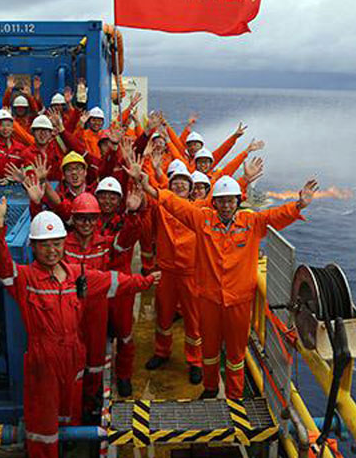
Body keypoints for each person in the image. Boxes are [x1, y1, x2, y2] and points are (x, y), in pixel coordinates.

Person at [0, 191, 160, 458]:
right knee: (43, 427)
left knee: (70, 412)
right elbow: (3, 266)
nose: (52, 250)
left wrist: (145, 282)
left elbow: (114, 281)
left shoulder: (77, 276)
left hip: (74, 356)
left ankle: (71, 446)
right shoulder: (26, 279)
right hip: (44, 361)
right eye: (45, 245)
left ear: (64, 243)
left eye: (56, 244)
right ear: (33, 247)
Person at [127, 160, 319, 399]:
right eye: (222, 201)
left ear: (238, 202)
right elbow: (176, 206)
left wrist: (299, 204)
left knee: (236, 355)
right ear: (214, 202)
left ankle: (235, 396)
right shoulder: (203, 220)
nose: (227, 205)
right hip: (209, 299)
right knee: (209, 348)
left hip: (239, 301)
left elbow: (275, 216)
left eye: (231, 200)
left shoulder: (251, 223)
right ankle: (210, 387)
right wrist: (150, 188)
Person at [60, 191, 142, 418]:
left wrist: (133, 213)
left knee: (96, 359)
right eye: (81, 218)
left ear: (98, 220)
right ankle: (74, 407)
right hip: (71, 312)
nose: (86, 223)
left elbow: (126, 241)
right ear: (73, 220)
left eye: (91, 218)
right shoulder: (62, 245)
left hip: (97, 312)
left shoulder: (105, 244)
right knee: (72, 361)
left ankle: (91, 404)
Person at [140, 162, 203, 384]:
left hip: (189, 273)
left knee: (193, 320)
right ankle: (161, 352)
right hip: (166, 270)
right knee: (164, 315)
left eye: (183, 184)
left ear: (191, 189)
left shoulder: (198, 212)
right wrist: (142, 174)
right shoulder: (160, 208)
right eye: (175, 183)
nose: (178, 187)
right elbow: (146, 200)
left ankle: (195, 361)